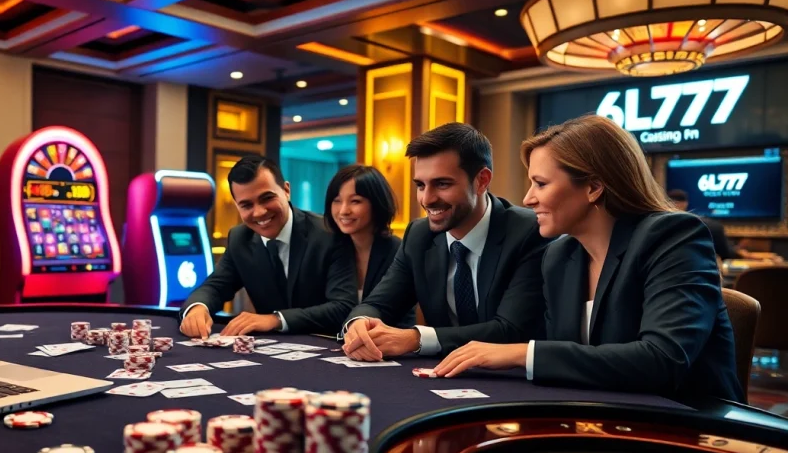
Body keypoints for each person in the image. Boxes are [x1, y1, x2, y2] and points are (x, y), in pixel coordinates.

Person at [433, 114, 742, 402]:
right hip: (601, 421)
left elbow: (662, 361)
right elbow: (573, 363)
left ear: (594, 187)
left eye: (540, 183)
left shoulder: (675, 237)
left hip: (691, 429)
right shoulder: (558, 255)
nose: (528, 198)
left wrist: (521, 354)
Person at [341, 122, 550, 361]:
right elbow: (379, 304)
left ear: (482, 180)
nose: (427, 199)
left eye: (442, 184)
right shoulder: (419, 235)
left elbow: (510, 330)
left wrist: (415, 339)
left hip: (516, 381)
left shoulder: (529, 231)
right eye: (420, 185)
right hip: (443, 376)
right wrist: (359, 324)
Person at [179, 155, 356, 338]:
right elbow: (215, 287)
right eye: (246, 205)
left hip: (325, 346)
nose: (259, 212)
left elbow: (343, 307)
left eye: (267, 198)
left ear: (286, 190)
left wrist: (275, 319)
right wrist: (198, 308)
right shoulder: (240, 238)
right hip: (268, 353)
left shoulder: (330, 233)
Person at [323, 164, 415, 327]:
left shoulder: (397, 251)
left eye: (355, 201)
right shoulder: (329, 247)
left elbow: (404, 318)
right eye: (337, 201)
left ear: (377, 203)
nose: (344, 210)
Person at [667, 189, 737, 261]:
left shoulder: (659, 226)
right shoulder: (711, 226)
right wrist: (739, 252)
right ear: (685, 203)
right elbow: (726, 254)